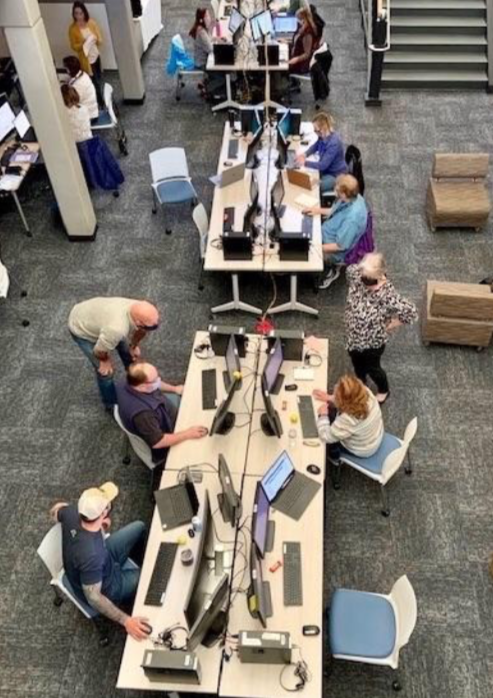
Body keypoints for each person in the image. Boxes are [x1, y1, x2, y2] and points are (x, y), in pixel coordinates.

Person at [50, 482, 151, 641]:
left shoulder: (72, 512)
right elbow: (94, 598)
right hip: (108, 586)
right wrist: (126, 621)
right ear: (104, 512)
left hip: (105, 557)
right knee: (151, 576)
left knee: (139, 527)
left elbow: (56, 510)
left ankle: (140, 563)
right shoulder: (92, 556)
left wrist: (99, 528)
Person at [344, 253, 418, 404]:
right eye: (364, 277)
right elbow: (350, 270)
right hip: (353, 335)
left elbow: (411, 312)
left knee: (373, 368)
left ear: (380, 275)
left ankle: (384, 390)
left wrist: (392, 324)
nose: (365, 282)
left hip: (373, 341)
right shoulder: (357, 274)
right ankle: (361, 382)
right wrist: (363, 269)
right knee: (357, 363)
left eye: (370, 280)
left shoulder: (387, 294)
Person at [68, 298, 160, 411]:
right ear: (138, 322)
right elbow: (99, 350)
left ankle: (136, 379)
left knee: (128, 353)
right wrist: (105, 361)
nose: (155, 326)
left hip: (99, 319)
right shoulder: (117, 329)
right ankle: (112, 405)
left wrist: (133, 346)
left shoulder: (138, 307)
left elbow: (143, 330)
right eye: (152, 327)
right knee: (106, 373)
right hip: (80, 327)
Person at [116, 362, 208, 464]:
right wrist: (188, 433)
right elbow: (158, 442)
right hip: (167, 433)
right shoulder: (143, 415)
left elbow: (157, 385)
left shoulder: (128, 380)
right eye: (155, 380)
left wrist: (175, 389)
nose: (158, 380)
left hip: (162, 412)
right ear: (142, 386)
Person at [305, 174, 368, 290]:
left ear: (344, 194)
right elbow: (335, 210)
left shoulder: (352, 220)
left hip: (334, 249)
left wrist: (315, 247)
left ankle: (332, 268)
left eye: (337, 190)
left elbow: (340, 246)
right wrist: (316, 210)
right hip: (329, 230)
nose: (334, 191)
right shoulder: (353, 197)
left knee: (301, 252)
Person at [314, 374, 384, 462]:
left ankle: (334, 456)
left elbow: (326, 436)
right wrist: (329, 398)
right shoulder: (365, 392)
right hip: (374, 436)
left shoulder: (348, 419)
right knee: (334, 415)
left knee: (330, 434)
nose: (335, 386)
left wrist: (323, 416)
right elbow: (350, 399)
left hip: (363, 449)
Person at [295, 112, 347, 192]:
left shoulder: (334, 143)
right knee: (308, 178)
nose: (315, 133)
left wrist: (304, 162)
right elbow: (316, 146)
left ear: (323, 129)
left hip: (335, 175)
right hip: (327, 170)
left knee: (312, 187)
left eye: (316, 130)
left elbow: (323, 165)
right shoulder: (323, 136)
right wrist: (304, 154)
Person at [69, 1, 104, 107]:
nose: (79, 16)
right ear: (73, 14)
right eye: (76, 13)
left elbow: (100, 39)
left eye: (81, 13)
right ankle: (98, 103)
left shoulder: (91, 23)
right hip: (86, 59)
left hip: (95, 56)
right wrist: (83, 43)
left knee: (99, 78)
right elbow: (73, 46)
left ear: (85, 12)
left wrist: (94, 39)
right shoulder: (73, 29)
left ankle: (101, 100)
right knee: (93, 82)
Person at [63, 55, 98, 120]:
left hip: (89, 116)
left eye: (66, 68)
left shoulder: (78, 85)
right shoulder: (82, 74)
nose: (65, 70)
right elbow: (71, 81)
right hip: (90, 108)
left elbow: (72, 102)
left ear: (70, 70)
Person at [288, 7, 320, 75]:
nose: (298, 21)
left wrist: (295, 60)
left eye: (299, 19)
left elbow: (307, 54)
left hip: (301, 66)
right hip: (295, 58)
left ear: (304, 18)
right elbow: (297, 42)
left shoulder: (308, 33)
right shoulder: (302, 28)